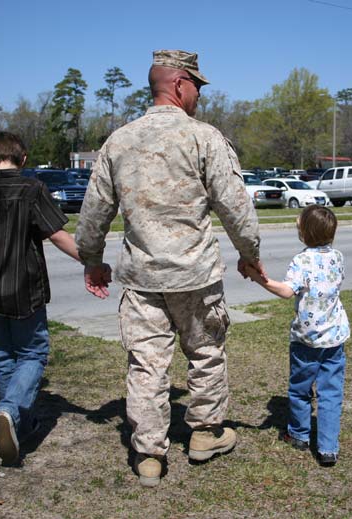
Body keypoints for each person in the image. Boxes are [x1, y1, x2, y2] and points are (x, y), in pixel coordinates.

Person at [75, 49, 264, 487]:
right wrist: (249, 253)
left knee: (147, 365)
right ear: (179, 84)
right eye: (197, 85)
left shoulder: (118, 141)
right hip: (195, 275)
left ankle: (149, 456)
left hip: (141, 280)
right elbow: (237, 208)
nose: (199, 95)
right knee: (205, 353)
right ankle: (204, 434)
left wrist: (92, 260)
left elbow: (93, 213)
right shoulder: (204, 138)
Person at [0, 131, 91, 465]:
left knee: (4, 356)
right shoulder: (32, 189)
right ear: (23, 158)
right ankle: (10, 411)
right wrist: (91, 260)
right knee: (32, 354)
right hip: (23, 287)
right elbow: (57, 234)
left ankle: (21, 426)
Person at [245, 205, 350, 467]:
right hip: (335, 337)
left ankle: (299, 434)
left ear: (304, 233)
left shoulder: (302, 260)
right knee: (331, 393)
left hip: (306, 340)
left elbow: (286, 291)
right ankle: (328, 449)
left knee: (300, 389)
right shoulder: (337, 256)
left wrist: (257, 278)